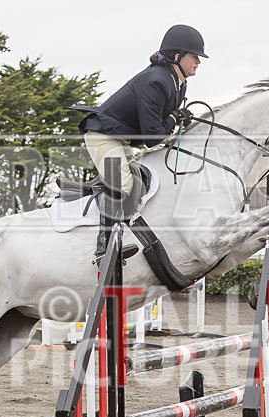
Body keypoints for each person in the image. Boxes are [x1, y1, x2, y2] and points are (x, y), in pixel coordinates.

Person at [73, 24, 208, 264]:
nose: (198, 62)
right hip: (103, 136)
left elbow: (160, 127)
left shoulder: (177, 82)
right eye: (194, 56)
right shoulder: (156, 81)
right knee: (123, 184)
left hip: (121, 137)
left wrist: (176, 119)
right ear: (177, 56)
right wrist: (174, 118)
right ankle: (105, 249)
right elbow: (153, 138)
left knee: (143, 181)